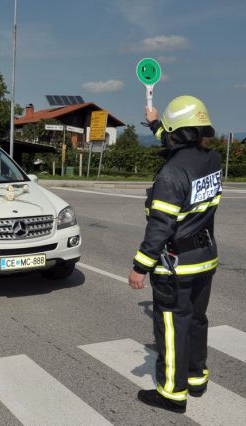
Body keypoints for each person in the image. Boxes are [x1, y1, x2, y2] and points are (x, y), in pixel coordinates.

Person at [128, 96, 221, 414]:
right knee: (196, 319)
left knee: (171, 325)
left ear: (175, 133)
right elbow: (178, 140)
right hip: (205, 256)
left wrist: (140, 267)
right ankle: (197, 378)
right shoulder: (211, 159)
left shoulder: (170, 174)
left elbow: (159, 228)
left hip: (175, 264)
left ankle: (172, 392)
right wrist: (155, 121)